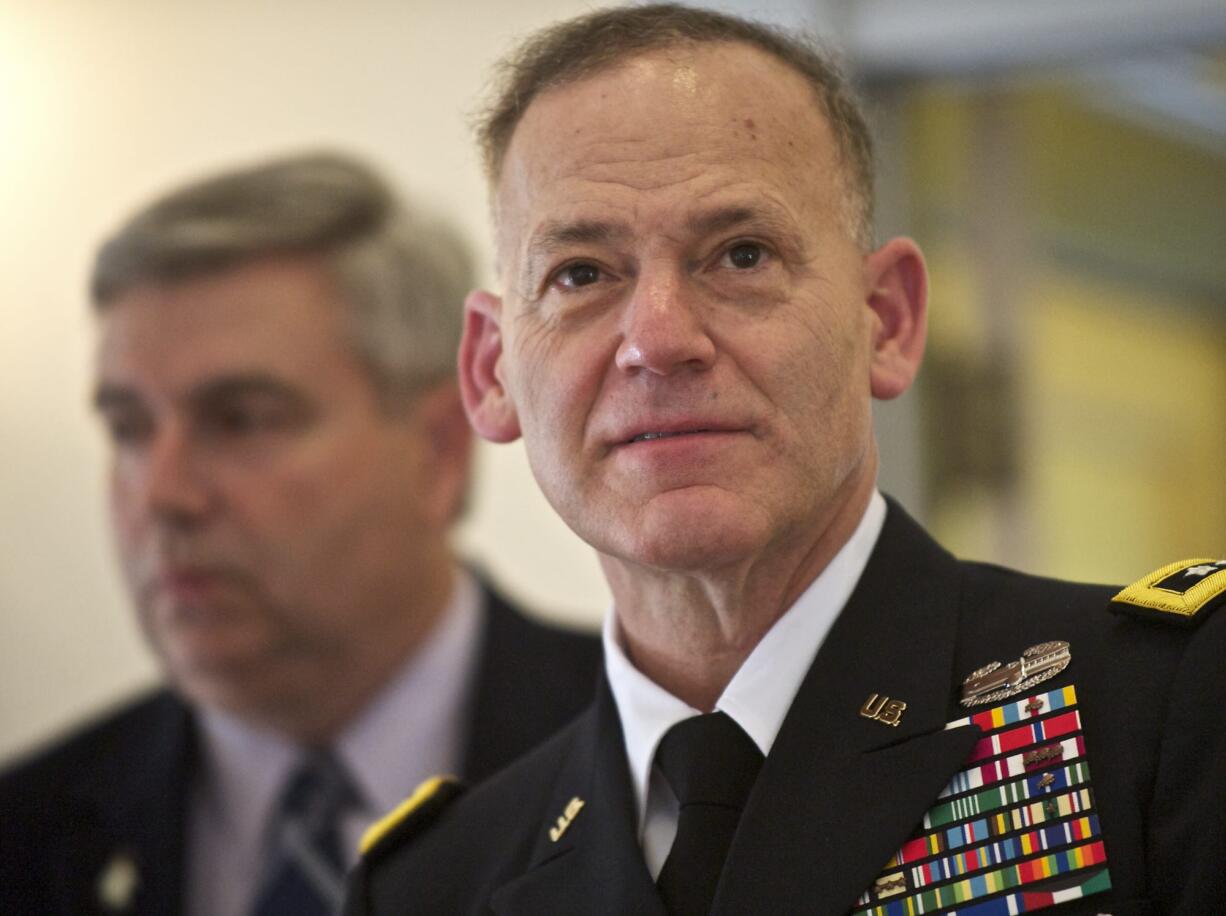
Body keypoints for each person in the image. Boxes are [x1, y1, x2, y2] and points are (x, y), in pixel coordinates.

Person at [343, 5, 1226, 916]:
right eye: (580, 273)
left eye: (741, 254)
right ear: (491, 371)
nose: (659, 340)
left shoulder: (1169, 709)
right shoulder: (433, 884)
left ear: (887, 319)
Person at [0, 151, 601, 916]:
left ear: (440, 450)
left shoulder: (659, 766)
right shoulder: (27, 834)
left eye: (242, 419)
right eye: (129, 428)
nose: (162, 495)